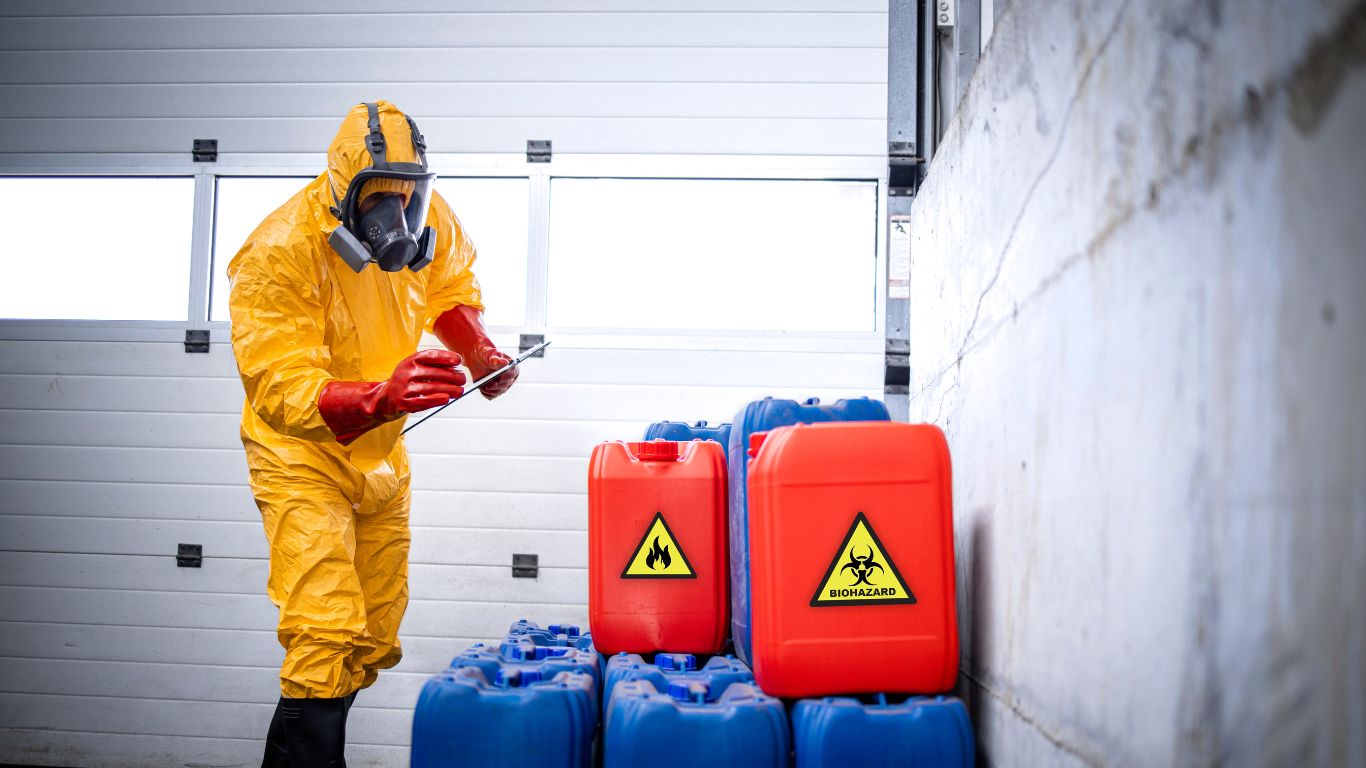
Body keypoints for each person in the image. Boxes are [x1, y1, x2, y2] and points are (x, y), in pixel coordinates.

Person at [227, 101, 518, 767]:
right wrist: (381, 395)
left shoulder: (430, 214)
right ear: (342, 194)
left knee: (371, 635)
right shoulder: (279, 253)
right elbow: (280, 388)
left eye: (407, 195)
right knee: (324, 629)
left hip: (383, 453)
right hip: (301, 455)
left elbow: (449, 287)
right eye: (379, 200)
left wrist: (482, 356)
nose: (399, 217)